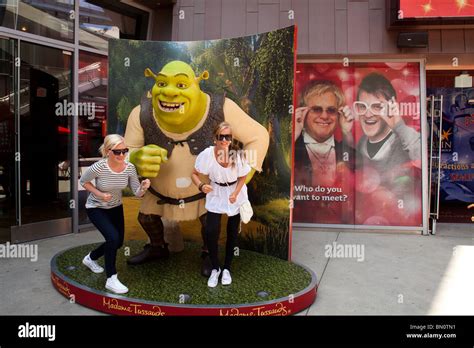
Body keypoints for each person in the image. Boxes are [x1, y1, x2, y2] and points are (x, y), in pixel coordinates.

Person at [79, 134, 150, 294]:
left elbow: (137, 193)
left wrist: (144, 187)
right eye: (117, 152)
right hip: (96, 208)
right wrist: (99, 194)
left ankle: (90, 258)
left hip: (116, 207)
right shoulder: (99, 167)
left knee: (117, 243)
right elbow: (84, 181)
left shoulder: (129, 167)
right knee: (112, 238)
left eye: (124, 151)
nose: (122, 155)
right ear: (107, 151)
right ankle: (111, 278)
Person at [191, 122, 251, 288]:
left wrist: (236, 193)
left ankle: (227, 269)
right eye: (221, 137)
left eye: (228, 136)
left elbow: (243, 176)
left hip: (234, 193)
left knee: (232, 232)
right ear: (215, 138)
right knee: (211, 231)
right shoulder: (207, 154)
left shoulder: (237, 154)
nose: (224, 140)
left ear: (231, 138)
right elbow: (194, 174)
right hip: (216, 191)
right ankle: (215, 268)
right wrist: (201, 186)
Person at [293, 80, 354, 224]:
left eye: (331, 110)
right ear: (303, 112)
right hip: (300, 226)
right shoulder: (292, 149)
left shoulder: (349, 153)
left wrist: (347, 134)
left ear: (339, 114)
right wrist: (293, 136)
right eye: (316, 109)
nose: (324, 116)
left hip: (341, 227)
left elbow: (363, 182)